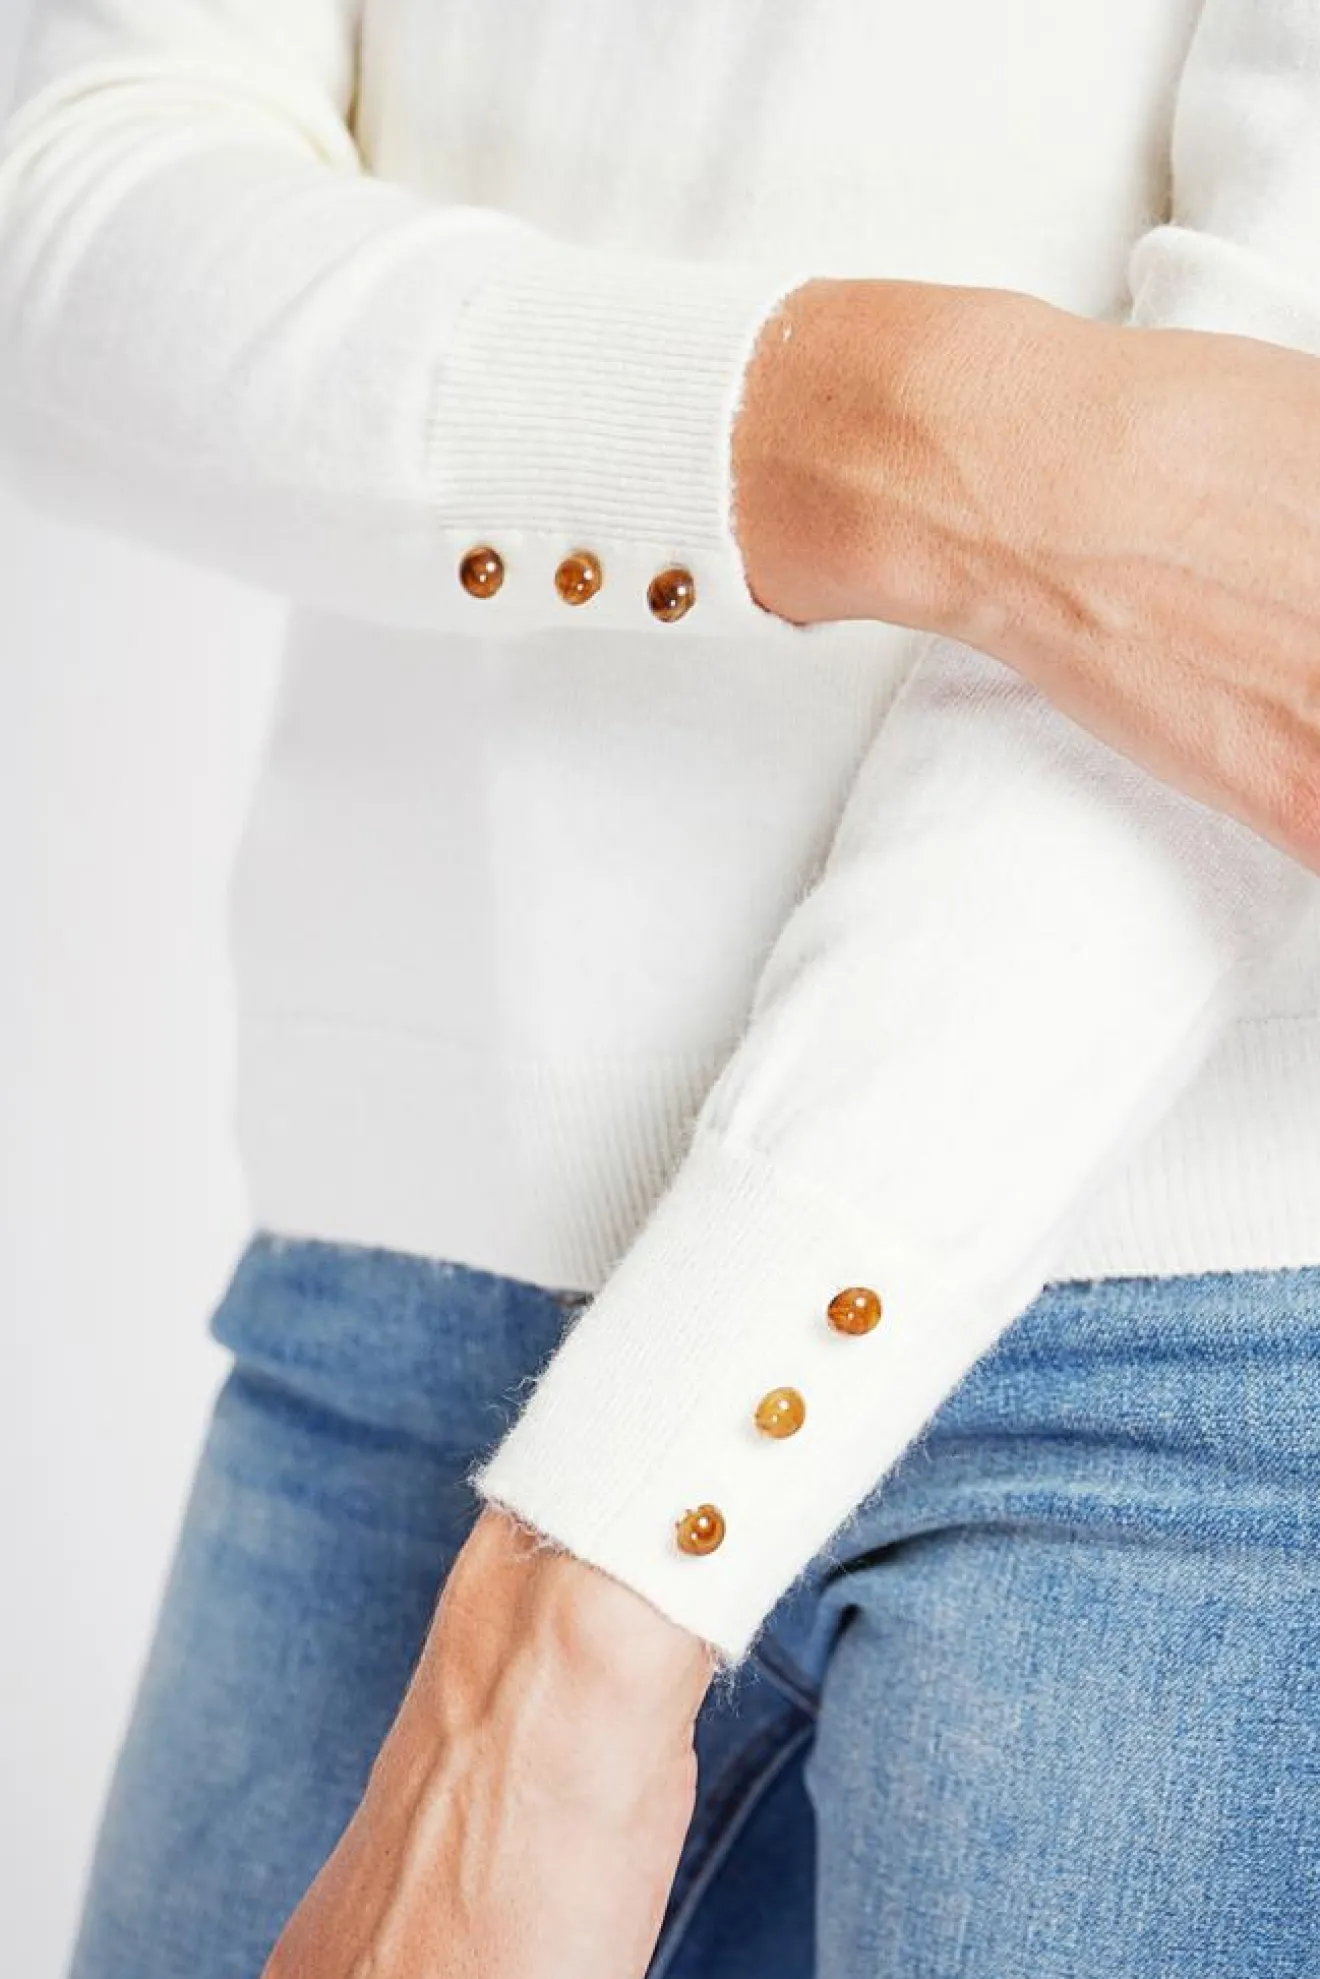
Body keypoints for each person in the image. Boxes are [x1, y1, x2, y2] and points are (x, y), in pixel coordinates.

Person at [2, 0, 1319, 1974]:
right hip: (402, 1313)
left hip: (1185, 1369)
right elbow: (73, 225)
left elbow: (1271, 569)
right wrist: (904, 438)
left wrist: (600, 1576)